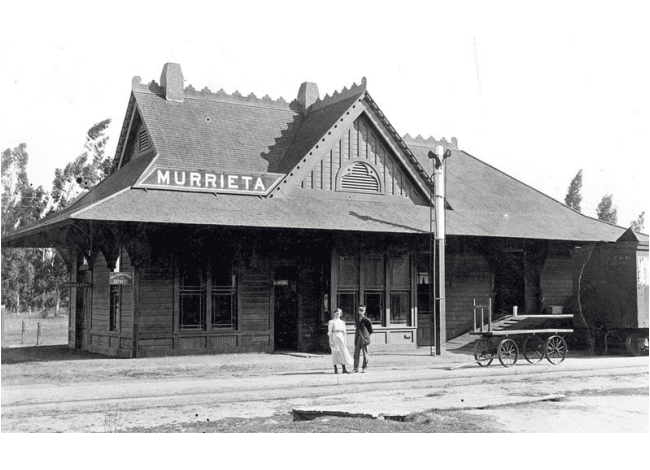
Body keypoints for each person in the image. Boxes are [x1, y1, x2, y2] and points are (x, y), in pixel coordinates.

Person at [327, 308, 353, 374]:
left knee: (343, 352)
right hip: (334, 336)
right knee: (335, 352)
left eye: (338, 314)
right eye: (336, 314)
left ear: (340, 314)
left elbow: (344, 332)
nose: (337, 315)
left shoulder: (342, 322)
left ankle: (344, 368)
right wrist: (330, 340)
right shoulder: (331, 322)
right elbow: (330, 332)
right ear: (334, 314)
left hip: (341, 337)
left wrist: (345, 340)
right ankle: (335, 368)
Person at [353, 305, 373, 373]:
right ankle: (356, 368)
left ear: (364, 311)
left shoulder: (367, 320)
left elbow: (371, 330)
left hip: (364, 339)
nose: (360, 312)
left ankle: (364, 367)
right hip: (358, 338)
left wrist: (366, 336)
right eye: (359, 310)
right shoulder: (357, 319)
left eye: (362, 310)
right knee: (356, 354)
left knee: (365, 354)